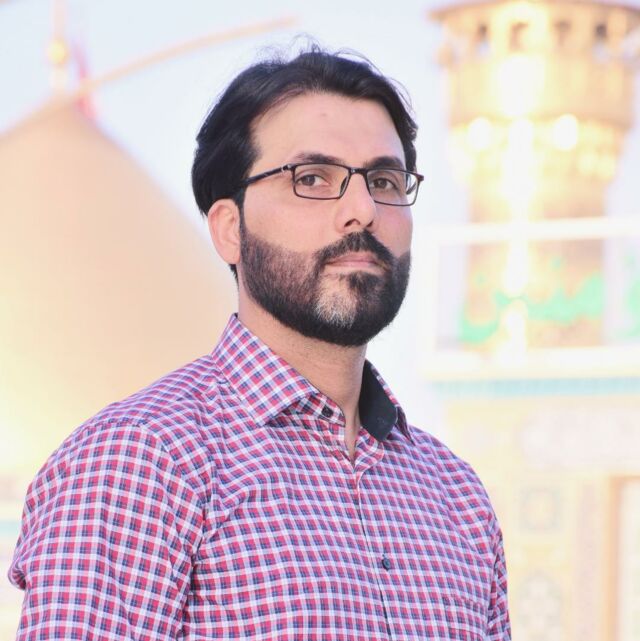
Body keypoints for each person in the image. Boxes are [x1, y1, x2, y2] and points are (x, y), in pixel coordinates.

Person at [9, 46, 510, 640]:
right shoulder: (143, 463)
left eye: (383, 181)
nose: (361, 211)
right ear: (230, 229)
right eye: (313, 178)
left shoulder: (455, 498)